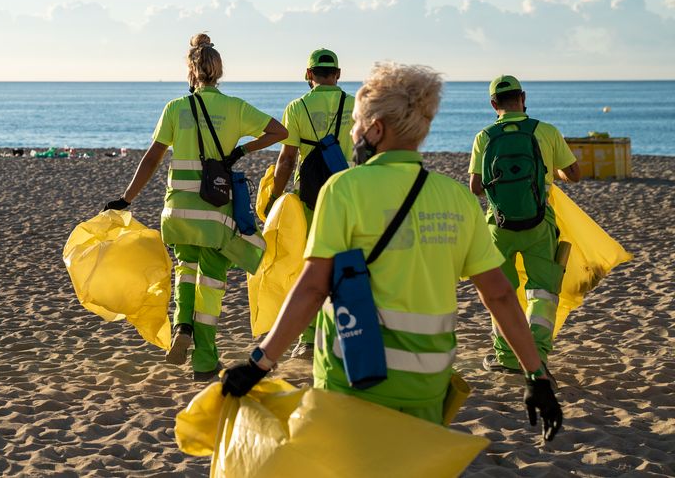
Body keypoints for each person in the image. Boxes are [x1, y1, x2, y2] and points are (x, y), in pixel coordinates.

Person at [221, 62, 563, 443]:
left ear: (376, 129)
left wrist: (261, 362)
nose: (353, 134)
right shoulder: (455, 198)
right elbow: (498, 294)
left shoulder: (344, 189)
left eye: (356, 125)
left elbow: (313, 287)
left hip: (352, 371)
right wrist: (537, 375)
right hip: (427, 383)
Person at [104, 33, 287, 381]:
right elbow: (280, 132)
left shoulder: (175, 108)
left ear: (190, 71)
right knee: (212, 283)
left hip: (176, 213)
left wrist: (127, 198)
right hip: (215, 215)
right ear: (219, 70)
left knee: (185, 271)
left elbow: (153, 157)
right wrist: (242, 152)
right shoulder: (235, 107)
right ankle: (204, 360)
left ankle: (181, 327)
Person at [468, 75, 580, 376]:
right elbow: (574, 173)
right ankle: (537, 354)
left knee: (500, 291)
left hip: (498, 225)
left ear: (493, 104)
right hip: (539, 223)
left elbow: (475, 188)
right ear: (523, 97)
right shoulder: (546, 131)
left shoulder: (485, 136)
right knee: (543, 291)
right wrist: (552, 171)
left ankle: (505, 357)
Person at [270, 48, 355, 358]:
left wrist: (275, 195)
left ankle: (308, 340)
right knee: (346, 266)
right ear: (338, 73)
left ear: (308, 75)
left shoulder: (297, 107)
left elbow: (287, 158)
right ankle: (345, 335)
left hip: (309, 194)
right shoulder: (355, 104)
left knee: (310, 268)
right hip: (348, 194)